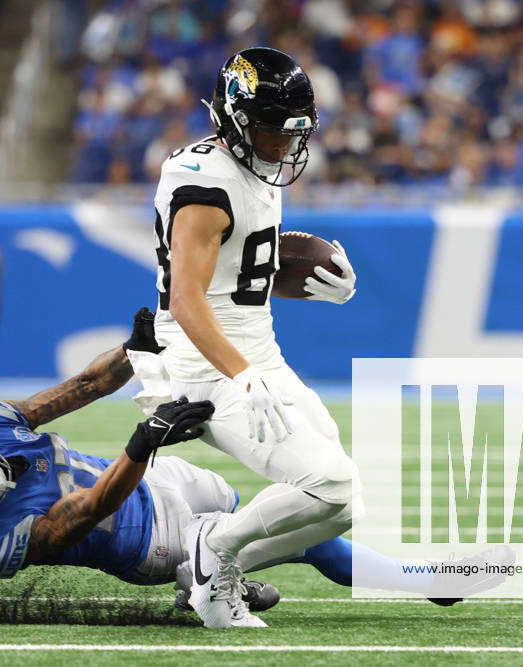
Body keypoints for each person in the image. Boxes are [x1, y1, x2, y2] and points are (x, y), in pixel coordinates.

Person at [0, 308, 513, 628]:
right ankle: (429, 580)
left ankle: (210, 581)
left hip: (158, 484)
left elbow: (76, 388)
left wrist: (136, 350)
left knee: (303, 527)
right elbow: (89, 509)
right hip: (145, 542)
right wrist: (144, 440)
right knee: (290, 539)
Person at [149, 46, 366, 628]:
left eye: (294, 133)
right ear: (234, 118)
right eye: (272, 132)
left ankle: (212, 566)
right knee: (329, 483)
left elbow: (242, 277)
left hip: (255, 350)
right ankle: (213, 550)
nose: (283, 146)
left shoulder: (253, 166)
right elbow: (187, 298)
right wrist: (240, 375)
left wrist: (318, 286)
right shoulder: (205, 182)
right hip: (206, 362)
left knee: (344, 504)